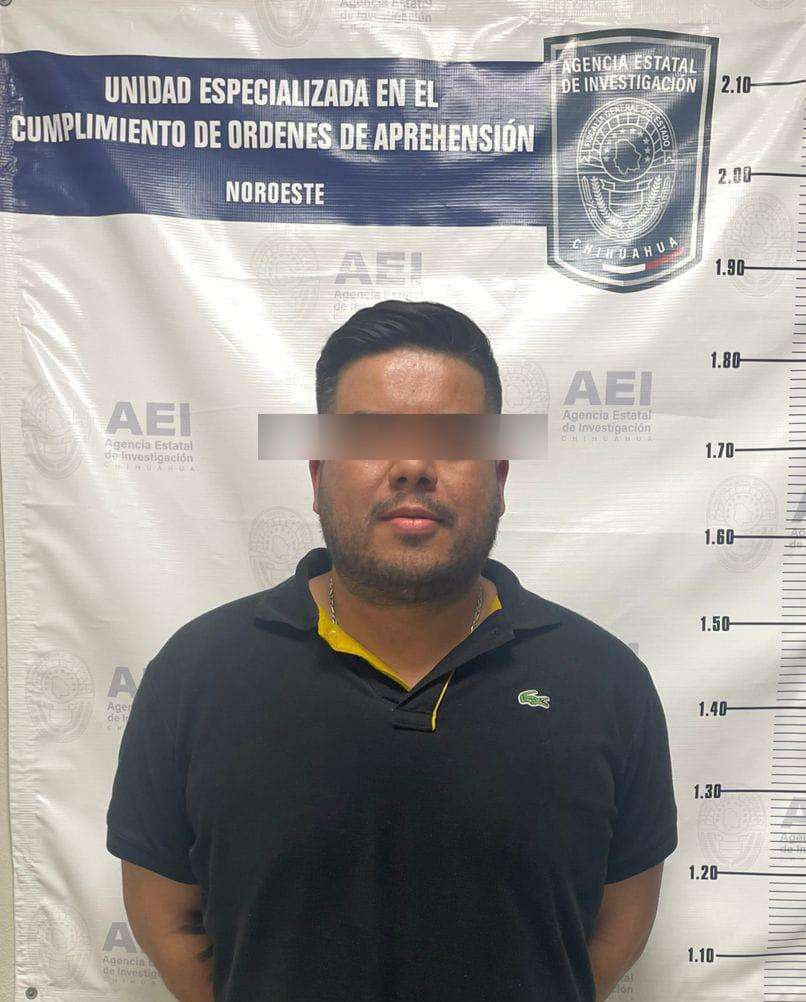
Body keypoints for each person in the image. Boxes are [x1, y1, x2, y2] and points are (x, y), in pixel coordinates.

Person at [106, 299, 678, 1002]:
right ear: (318, 474)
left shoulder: (605, 683)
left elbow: (615, 931)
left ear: (500, 477)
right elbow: (167, 921)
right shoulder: (196, 674)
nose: (412, 465)